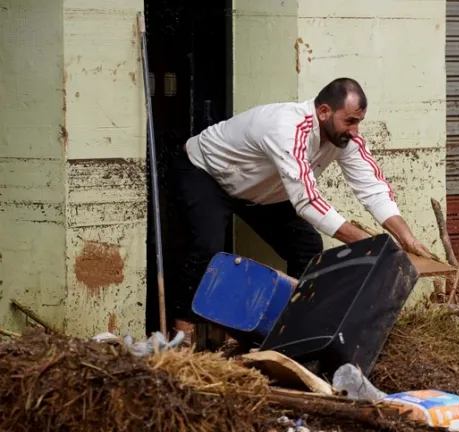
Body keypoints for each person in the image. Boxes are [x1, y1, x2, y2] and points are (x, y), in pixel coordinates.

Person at [172, 77, 431, 344]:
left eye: (359, 122)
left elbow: (373, 188)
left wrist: (406, 238)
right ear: (323, 112)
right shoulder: (288, 127)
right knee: (207, 247)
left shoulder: (345, 138)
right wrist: (372, 245)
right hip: (205, 173)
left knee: (307, 247)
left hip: (259, 188)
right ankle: (182, 337)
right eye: (350, 121)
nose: (355, 130)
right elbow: (307, 200)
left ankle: (287, 329)